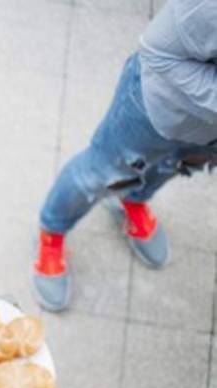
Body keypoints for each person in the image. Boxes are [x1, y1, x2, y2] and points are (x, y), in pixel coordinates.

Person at [31, 0, 217, 311]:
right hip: (153, 107)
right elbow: (158, 52)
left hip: (206, 133)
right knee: (99, 172)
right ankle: (52, 230)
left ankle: (131, 200)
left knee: (171, 167)